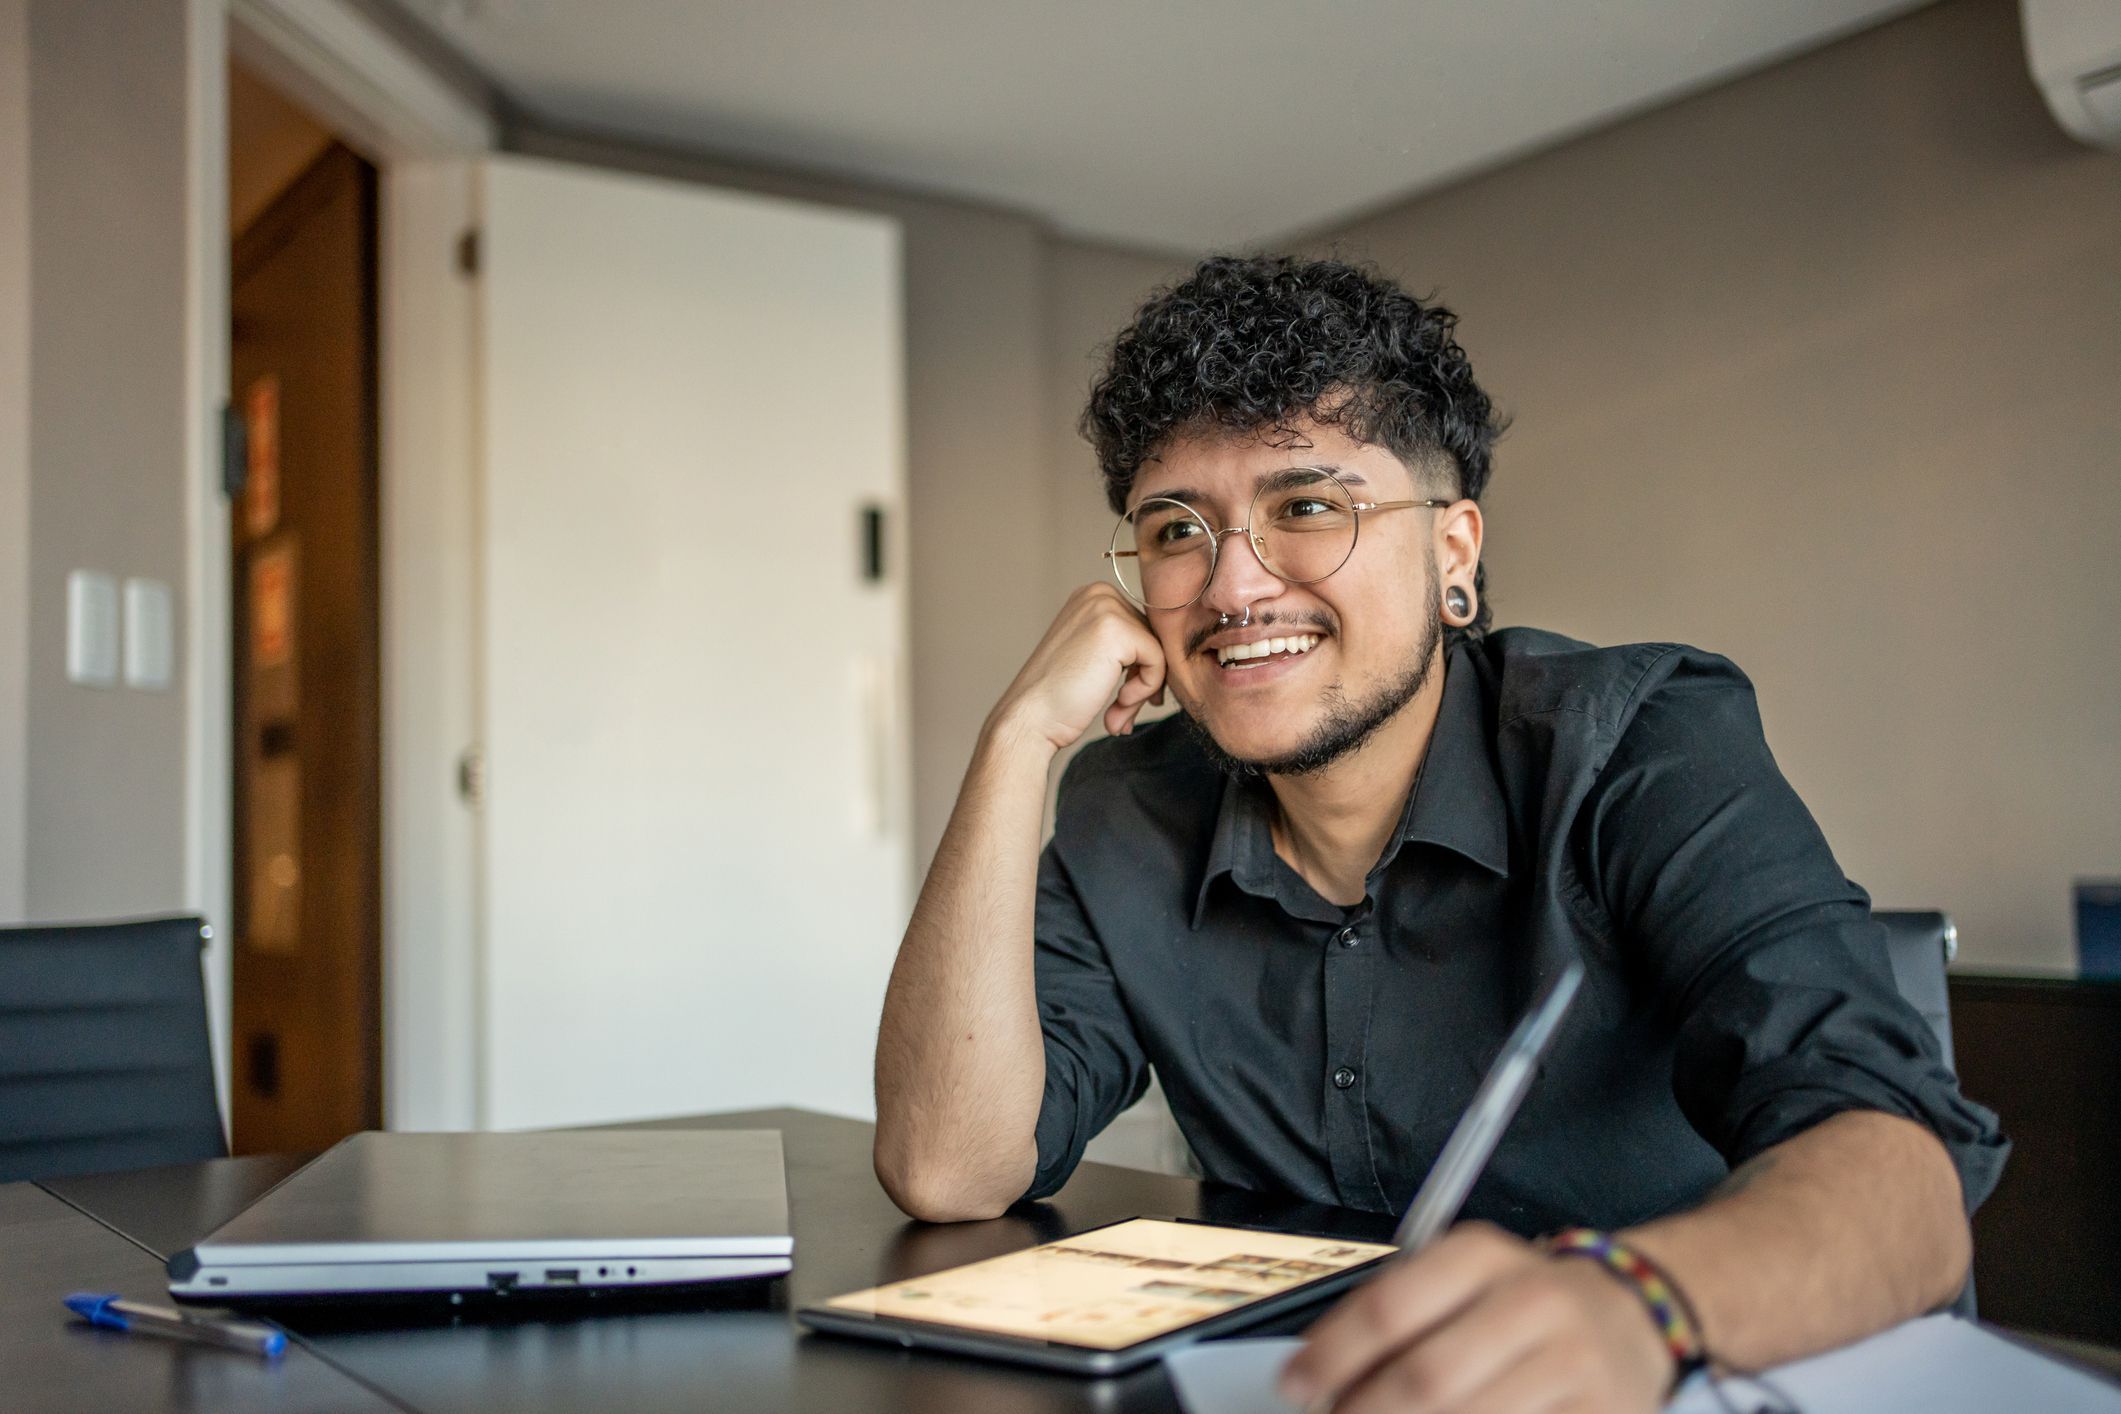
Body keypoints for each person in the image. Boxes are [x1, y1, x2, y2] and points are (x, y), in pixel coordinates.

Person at [872, 254, 2006, 1412]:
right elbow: (948, 1165)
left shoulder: (1638, 745)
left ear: (1452, 553)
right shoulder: (1127, 808)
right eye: (1177, 528)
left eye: (1306, 508)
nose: (1232, 587)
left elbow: (1903, 1179)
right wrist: (1016, 740)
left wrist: (1637, 1304)